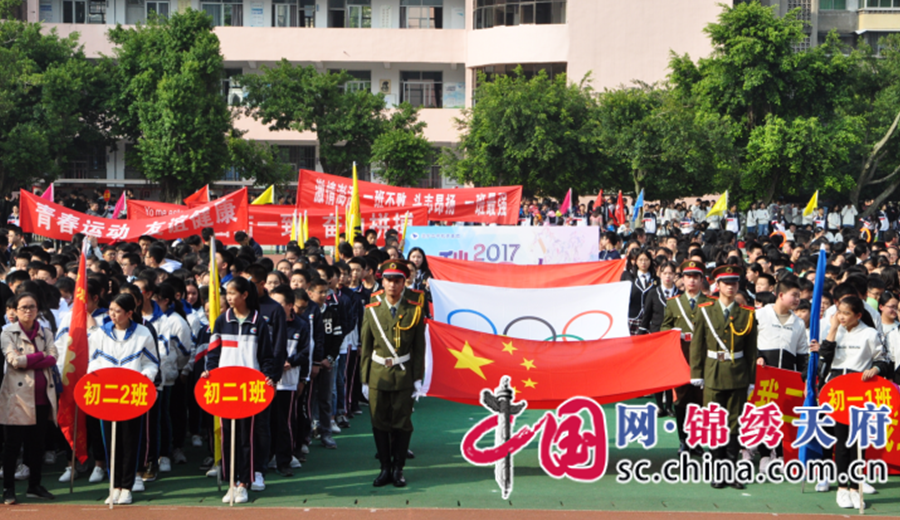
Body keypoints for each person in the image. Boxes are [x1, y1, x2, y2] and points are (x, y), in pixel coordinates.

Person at [202, 277, 275, 505]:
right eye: (228, 293)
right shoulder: (221, 321)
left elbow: (266, 356)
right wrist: (209, 372)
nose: (229, 297)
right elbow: (213, 353)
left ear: (245, 295)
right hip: (225, 388)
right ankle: (231, 481)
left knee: (246, 437)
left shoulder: (259, 322)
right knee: (227, 436)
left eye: (233, 293)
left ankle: (244, 482)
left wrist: (268, 376)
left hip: (249, 387)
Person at [817, 296, 891, 508]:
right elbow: (824, 357)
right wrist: (832, 330)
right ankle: (841, 488)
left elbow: (883, 360)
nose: (841, 316)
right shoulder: (833, 330)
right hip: (837, 391)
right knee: (841, 441)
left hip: (861, 391)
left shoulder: (869, 333)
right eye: (839, 311)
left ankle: (855, 487)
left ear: (858, 315)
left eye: (847, 313)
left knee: (858, 443)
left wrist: (875, 369)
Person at [86, 293, 159, 505]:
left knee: (130, 440)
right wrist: (97, 378)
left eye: (118, 311)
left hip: (132, 396)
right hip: (107, 396)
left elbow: (151, 364)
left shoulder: (143, 333)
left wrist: (143, 379)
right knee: (111, 441)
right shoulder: (100, 333)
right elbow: (93, 362)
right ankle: (114, 485)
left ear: (129, 313)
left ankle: (127, 486)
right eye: (111, 310)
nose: (113, 315)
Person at [690, 265, 757, 490]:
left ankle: (731, 471)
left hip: (738, 373)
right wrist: (696, 373)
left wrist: (751, 379)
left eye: (734, 283)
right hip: (712, 371)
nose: (730, 287)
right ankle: (717, 472)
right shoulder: (705, 310)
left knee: (735, 424)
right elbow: (697, 345)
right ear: (717, 286)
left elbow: (751, 350)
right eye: (726, 283)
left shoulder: (747, 314)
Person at [359, 260, 425, 488]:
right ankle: (384, 468)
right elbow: (366, 346)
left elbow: (419, 347)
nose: (392, 285)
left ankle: (398, 469)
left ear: (403, 282)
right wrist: (364, 379)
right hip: (378, 373)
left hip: (404, 374)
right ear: (382, 281)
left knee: (402, 423)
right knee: (379, 422)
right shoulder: (372, 309)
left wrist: (418, 378)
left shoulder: (414, 308)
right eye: (388, 280)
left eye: (397, 280)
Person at [0, 293, 58, 505]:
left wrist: (36, 359)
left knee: (37, 445)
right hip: (17, 397)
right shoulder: (8, 332)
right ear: (14, 310)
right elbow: (14, 361)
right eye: (23, 307)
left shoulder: (45, 331)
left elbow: (54, 357)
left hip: (42, 396)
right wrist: (40, 356)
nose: (28, 311)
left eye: (31, 307)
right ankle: (8, 488)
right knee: (12, 445)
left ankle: (35, 485)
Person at [660, 260, 710, 456]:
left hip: (702, 356)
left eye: (696, 277)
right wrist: (673, 332)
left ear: (701, 280)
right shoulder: (674, 303)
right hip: (681, 354)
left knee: (700, 400)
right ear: (683, 279)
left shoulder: (710, 302)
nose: (691, 280)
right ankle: (682, 440)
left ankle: (696, 440)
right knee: (681, 400)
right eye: (688, 276)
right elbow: (664, 327)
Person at [639, 260, 679, 415]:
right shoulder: (653, 293)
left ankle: (669, 405)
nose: (668, 276)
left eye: (670, 273)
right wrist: (640, 338)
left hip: (674, 339)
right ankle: (659, 406)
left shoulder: (679, 294)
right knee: (658, 373)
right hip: (656, 338)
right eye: (665, 273)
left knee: (670, 373)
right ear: (659, 274)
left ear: (675, 275)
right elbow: (646, 318)